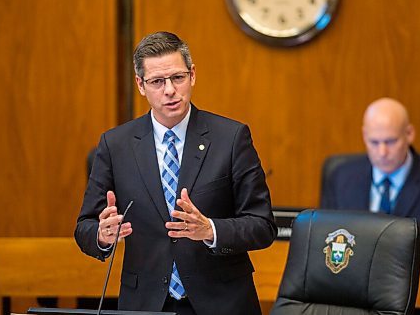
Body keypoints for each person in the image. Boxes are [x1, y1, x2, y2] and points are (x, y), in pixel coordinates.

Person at [75, 31, 277, 315]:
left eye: (177, 78)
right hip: (146, 304)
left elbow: (263, 226)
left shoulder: (231, 138)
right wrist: (102, 235)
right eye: (157, 81)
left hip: (221, 302)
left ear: (192, 75)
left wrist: (211, 230)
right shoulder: (115, 145)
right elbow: (84, 227)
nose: (169, 90)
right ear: (141, 85)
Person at [320, 97, 420, 259]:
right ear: (364, 135)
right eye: (374, 142)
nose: (382, 152)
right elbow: (323, 234)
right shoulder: (341, 177)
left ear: (409, 134)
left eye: (390, 141)